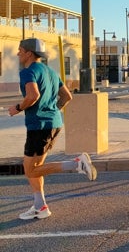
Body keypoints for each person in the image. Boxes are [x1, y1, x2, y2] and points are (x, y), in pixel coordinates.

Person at [8, 38, 96, 220]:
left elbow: (33, 95)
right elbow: (67, 96)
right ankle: (40, 207)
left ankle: (76, 164)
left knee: (30, 170)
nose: (18, 54)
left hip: (38, 126)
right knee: (35, 167)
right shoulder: (50, 71)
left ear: (29, 53)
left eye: (20, 50)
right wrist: (53, 110)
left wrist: (17, 108)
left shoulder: (28, 72)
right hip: (53, 123)